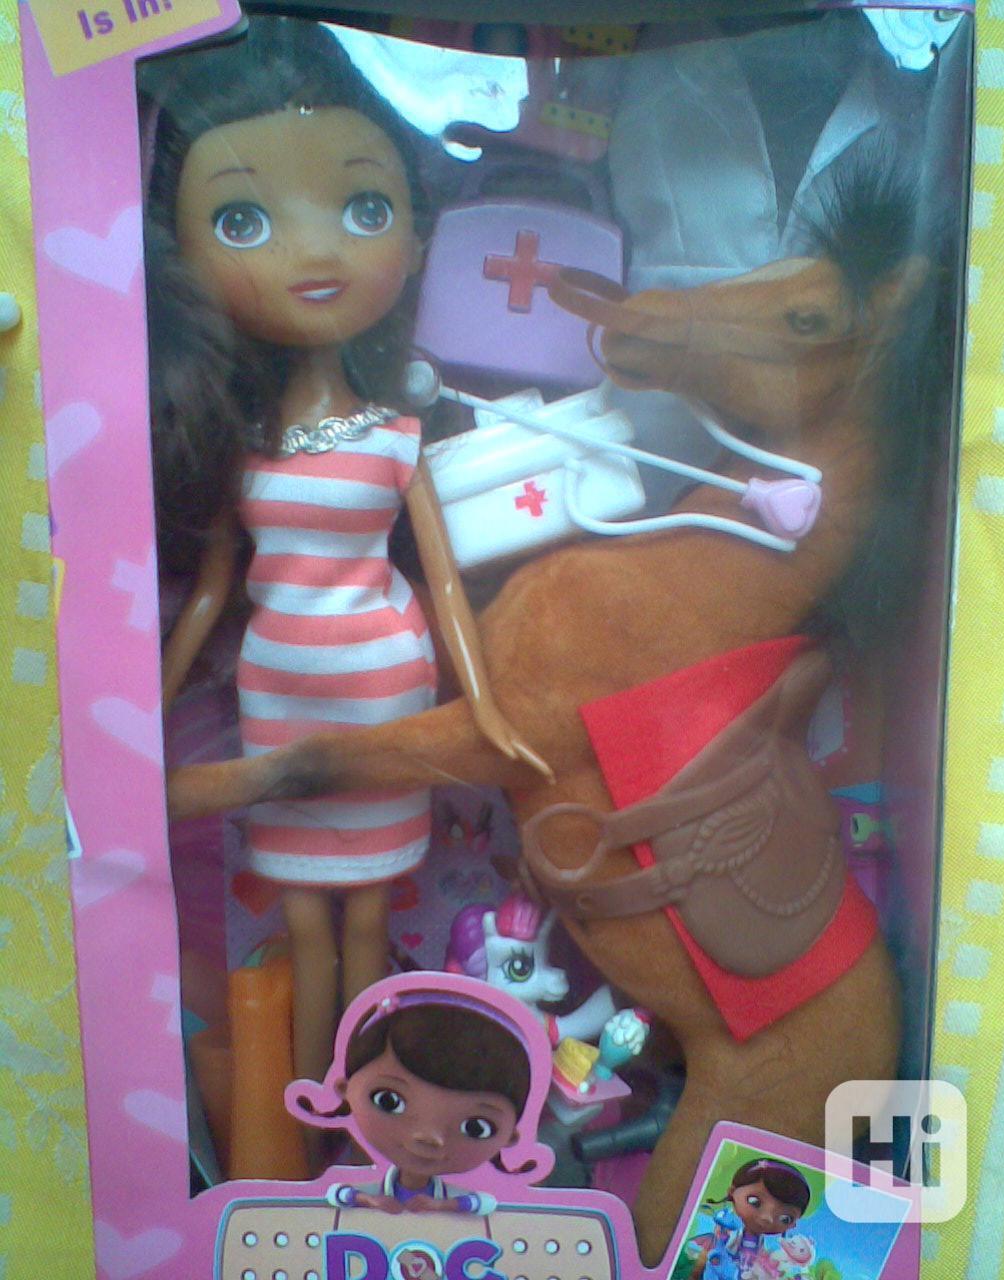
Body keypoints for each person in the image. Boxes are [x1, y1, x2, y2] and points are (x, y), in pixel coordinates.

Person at [141, 15, 546, 1115]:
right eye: (242, 220)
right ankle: (308, 1108)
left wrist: (482, 702)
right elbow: (215, 588)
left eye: (365, 210)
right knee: (302, 913)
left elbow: (442, 582)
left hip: (380, 685)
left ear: (415, 229)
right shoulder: (242, 445)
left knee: (368, 912)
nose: (315, 255)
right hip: (277, 688)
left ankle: (371, 1106)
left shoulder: (398, 436)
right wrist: (151, 704)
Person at [286, 979, 538, 1214]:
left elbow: (487, 1203)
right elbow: (335, 1195)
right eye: (388, 1101)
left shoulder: (458, 1195)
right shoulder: (369, 1185)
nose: (429, 1137)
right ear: (344, 1089)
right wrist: (369, 1200)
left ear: (511, 1136)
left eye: (476, 1127)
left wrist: (444, 1206)